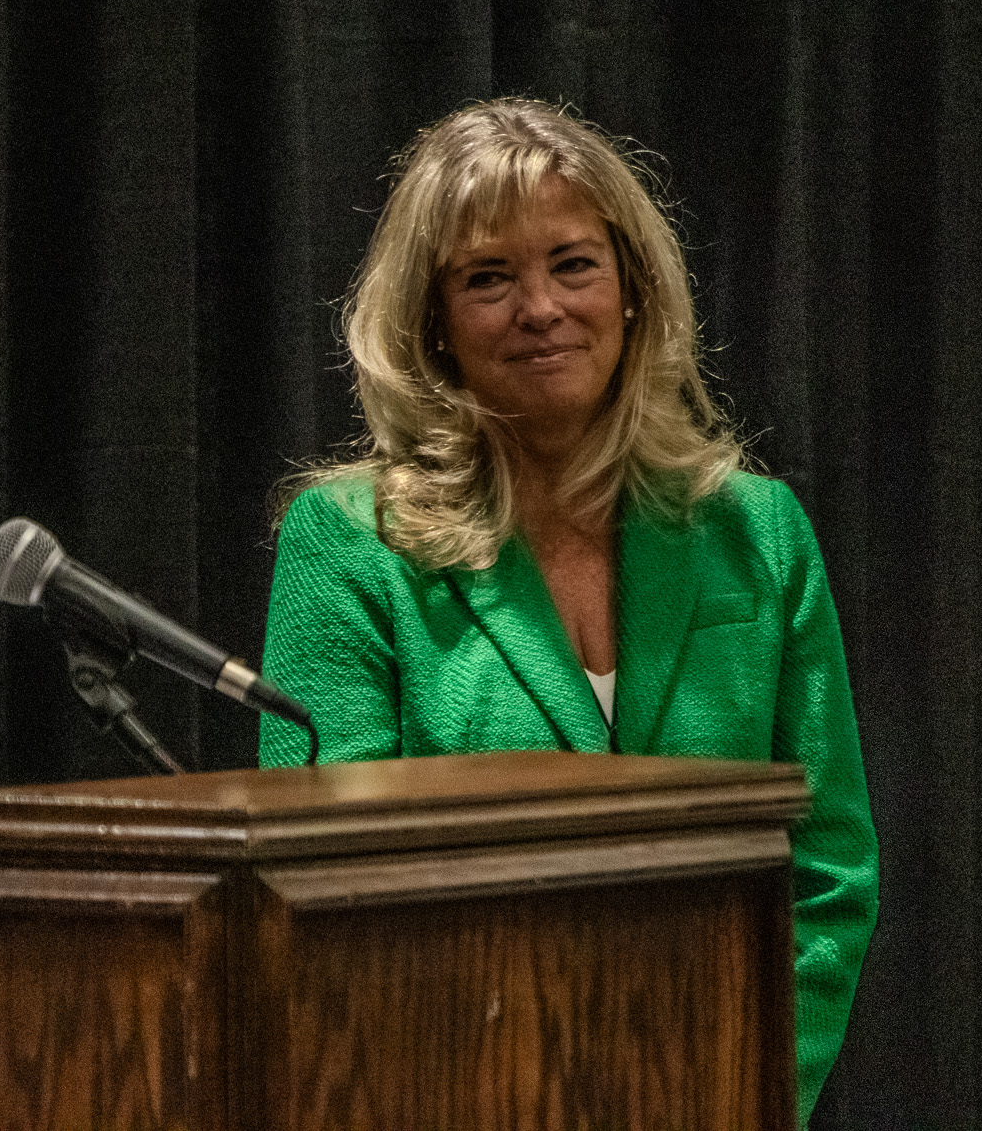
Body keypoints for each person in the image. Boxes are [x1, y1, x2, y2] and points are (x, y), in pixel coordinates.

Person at [258, 98, 876, 1124]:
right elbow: (326, 894)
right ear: (433, 326)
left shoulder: (755, 532)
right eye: (486, 278)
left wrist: (725, 1093)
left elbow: (827, 876)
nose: (538, 306)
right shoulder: (350, 544)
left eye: (572, 264)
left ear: (633, 289)